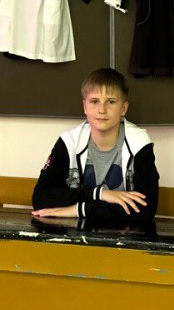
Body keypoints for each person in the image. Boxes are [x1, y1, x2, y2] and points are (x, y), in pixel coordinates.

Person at [32, 68, 159, 221]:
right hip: (75, 231)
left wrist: (79, 210)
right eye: (94, 101)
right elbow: (40, 198)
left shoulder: (139, 142)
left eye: (111, 102)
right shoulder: (69, 141)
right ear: (85, 107)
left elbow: (146, 209)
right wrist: (99, 194)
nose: (102, 110)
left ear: (123, 109)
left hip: (123, 232)